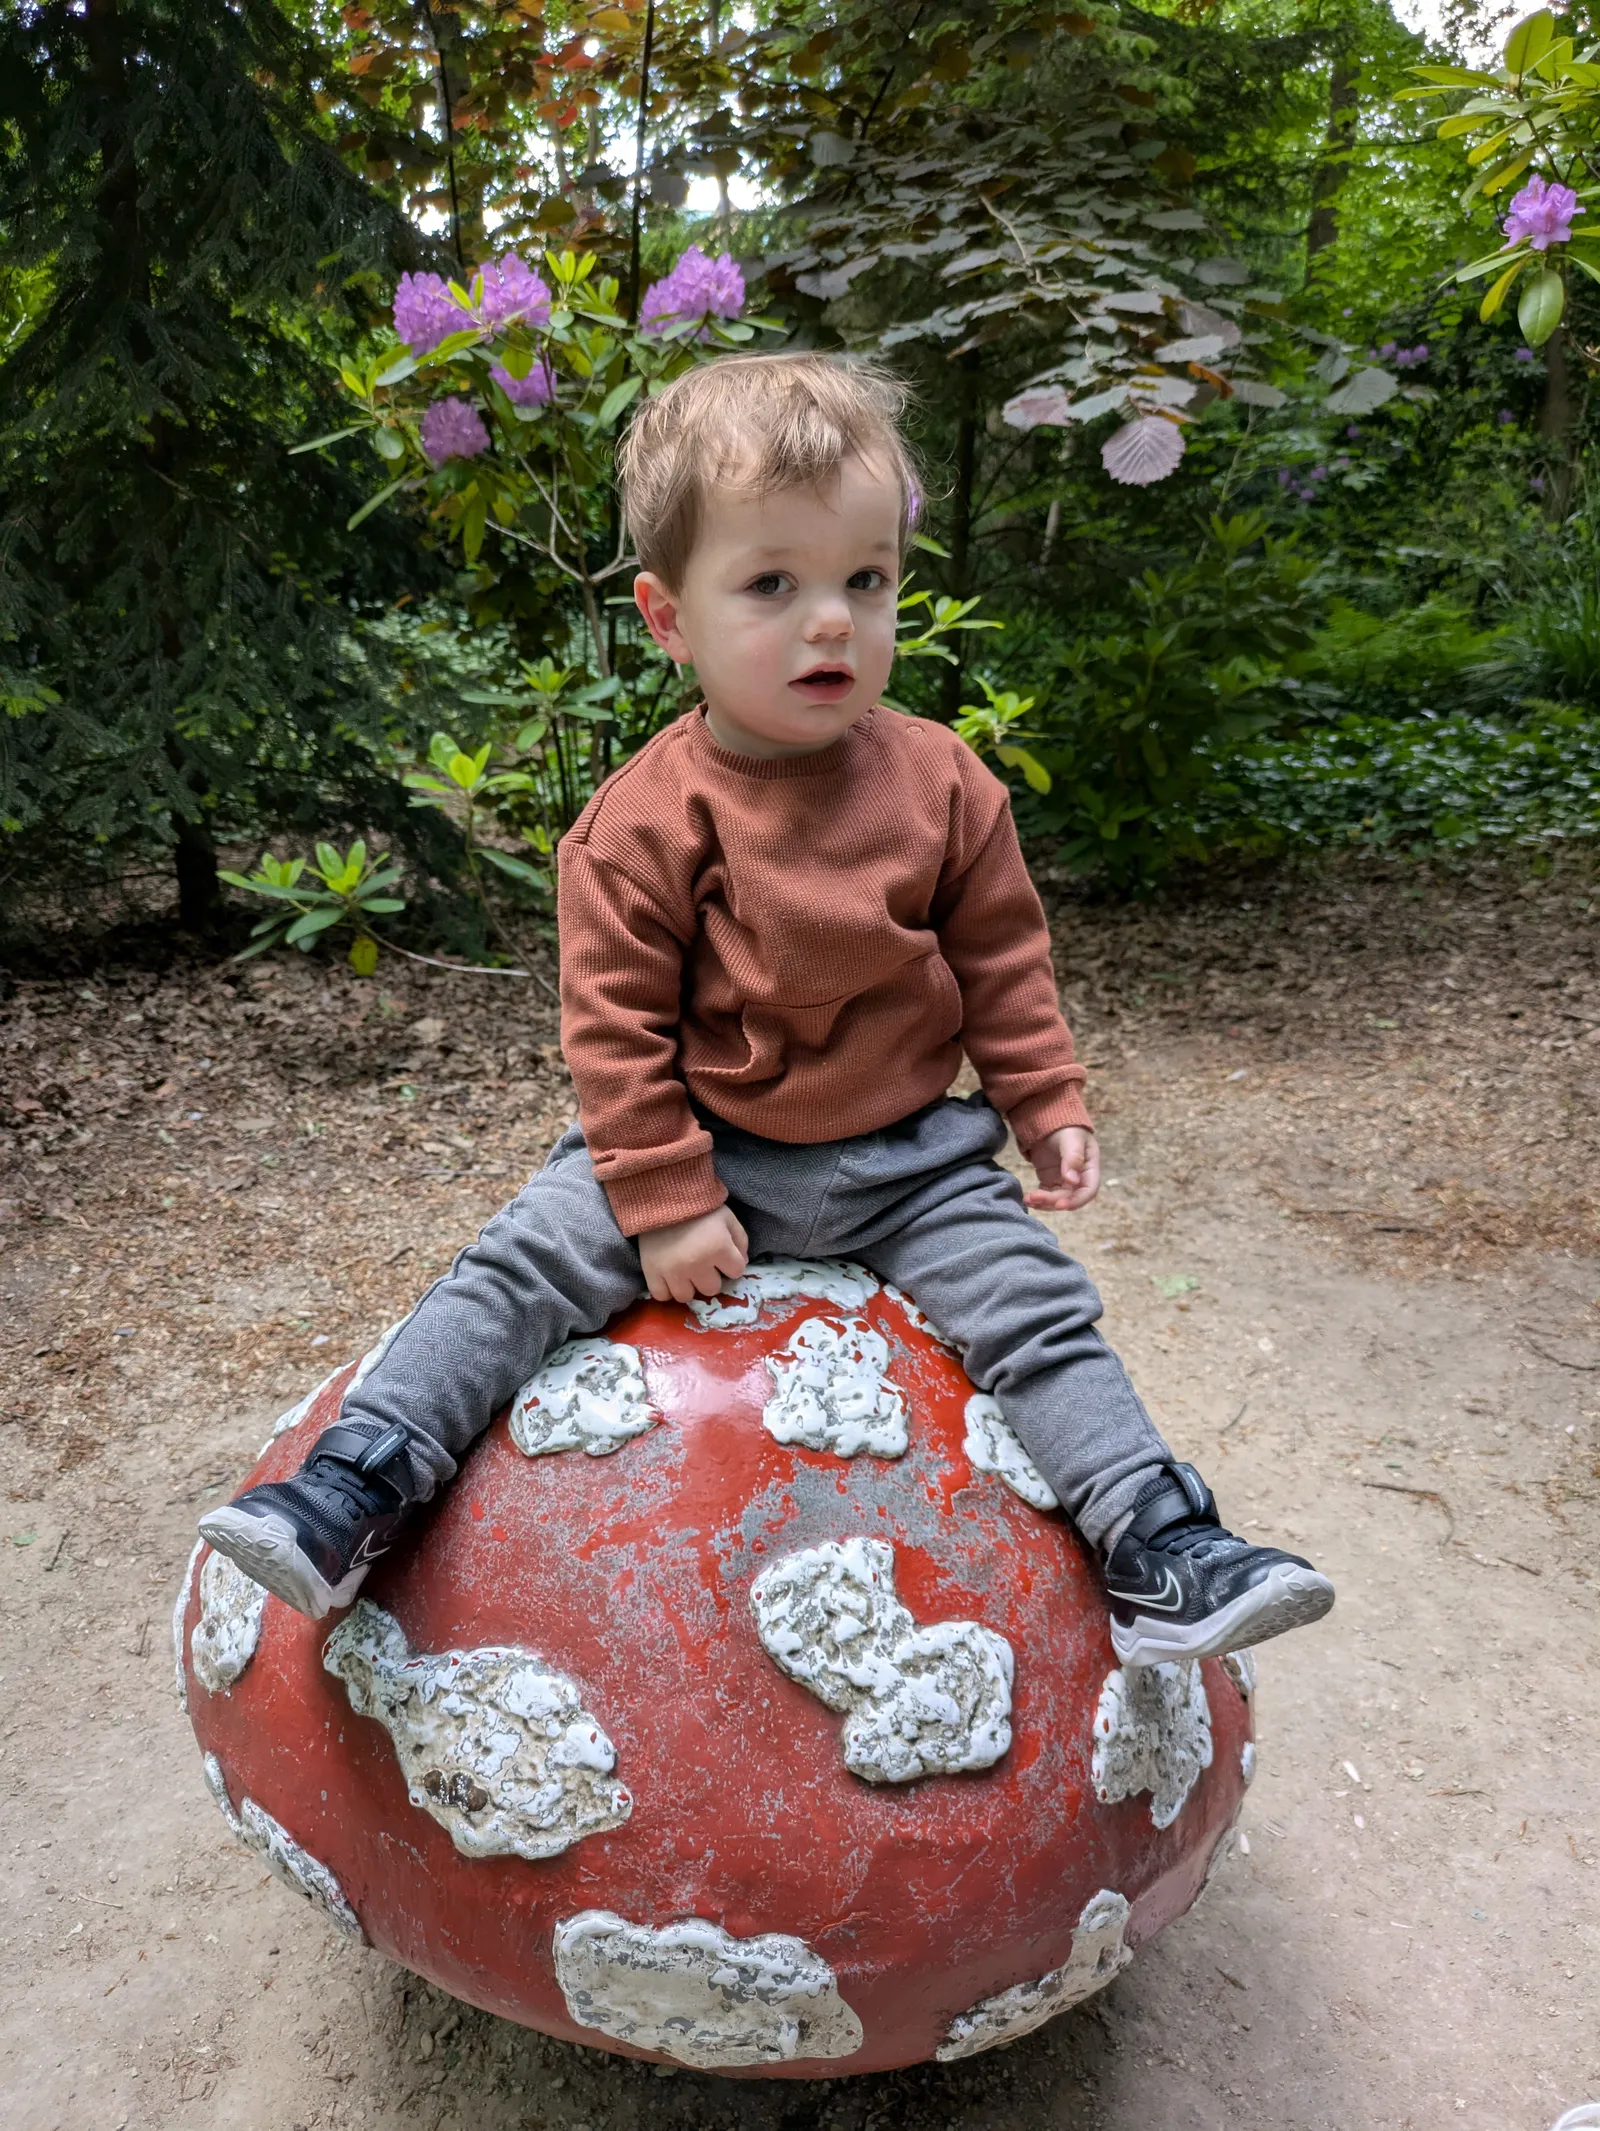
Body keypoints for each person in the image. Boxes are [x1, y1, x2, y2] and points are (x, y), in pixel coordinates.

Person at [199, 353, 1334, 1668]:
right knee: (516, 1268)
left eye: (866, 579)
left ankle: (1157, 1541)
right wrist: (667, 1193)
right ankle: (355, 1484)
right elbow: (614, 1031)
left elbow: (1003, 955)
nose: (833, 622)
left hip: (911, 1161)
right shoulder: (640, 823)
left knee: (1040, 1309)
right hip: (704, 1137)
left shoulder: (946, 787)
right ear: (668, 615)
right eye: (773, 585)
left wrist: (1045, 1101)